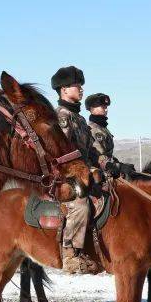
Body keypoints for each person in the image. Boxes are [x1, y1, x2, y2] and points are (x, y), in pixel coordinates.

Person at [51, 65, 101, 274]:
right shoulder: (61, 117)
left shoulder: (79, 119)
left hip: (85, 171)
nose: (81, 89)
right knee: (80, 203)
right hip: (66, 175)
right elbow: (60, 152)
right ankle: (70, 254)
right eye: (76, 85)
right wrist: (83, 169)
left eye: (80, 85)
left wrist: (107, 165)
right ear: (64, 90)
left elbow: (90, 150)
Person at [85, 93, 136, 178]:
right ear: (92, 108)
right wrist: (119, 167)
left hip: (108, 170)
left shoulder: (103, 128)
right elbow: (99, 156)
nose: (106, 110)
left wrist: (120, 164)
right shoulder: (93, 130)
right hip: (99, 174)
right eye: (103, 107)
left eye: (106, 107)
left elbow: (109, 154)